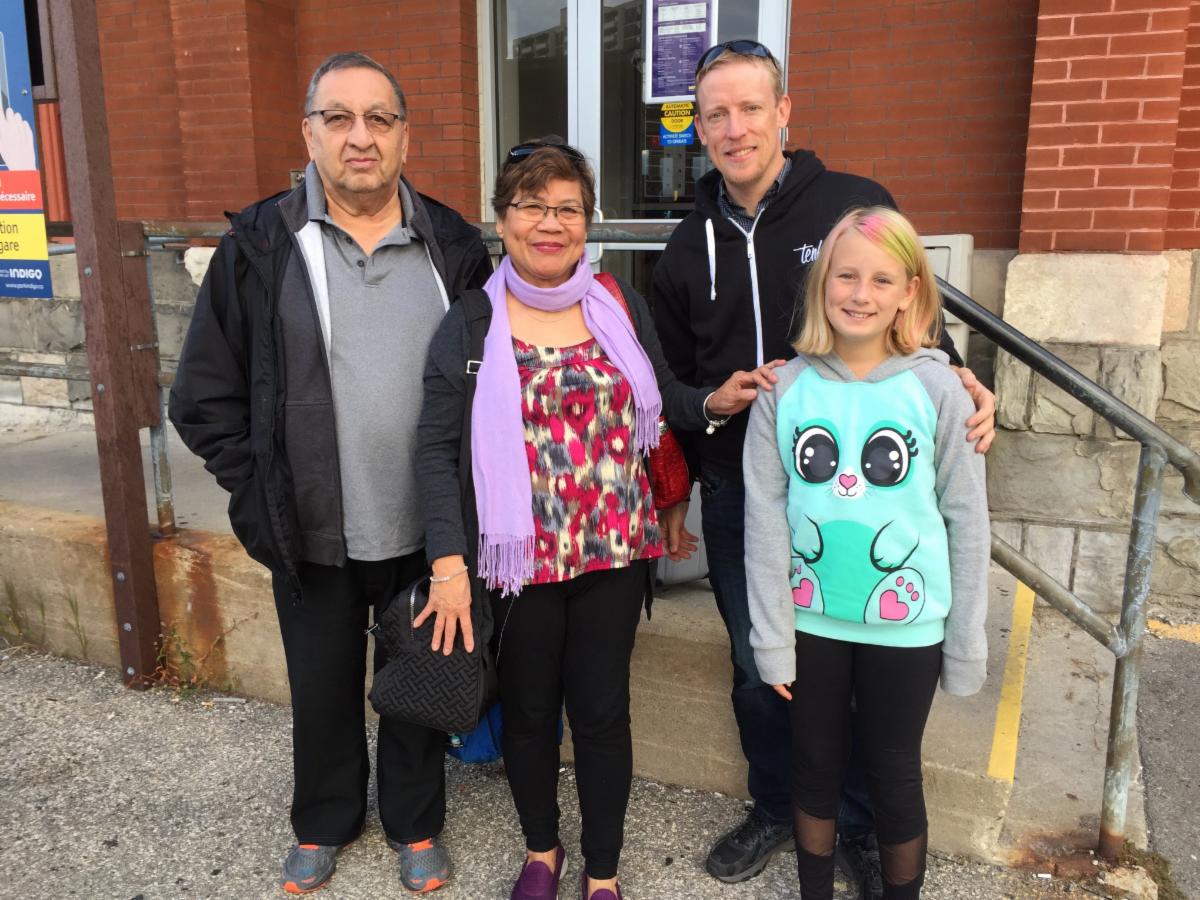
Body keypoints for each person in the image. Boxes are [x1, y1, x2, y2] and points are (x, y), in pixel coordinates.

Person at [650, 40, 996, 893]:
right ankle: (779, 805)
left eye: (750, 108)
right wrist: (706, 406)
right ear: (698, 126)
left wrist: (957, 372)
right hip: (747, 490)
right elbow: (663, 379)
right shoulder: (685, 245)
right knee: (761, 664)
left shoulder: (848, 203)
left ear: (784, 112)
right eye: (716, 113)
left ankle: (864, 826)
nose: (734, 129)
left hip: (865, 494)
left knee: (860, 682)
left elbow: (905, 302)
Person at [415, 138, 779, 900]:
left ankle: (603, 872)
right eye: (531, 206)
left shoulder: (616, 304)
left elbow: (665, 395)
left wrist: (713, 402)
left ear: (588, 221)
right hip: (519, 562)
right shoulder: (471, 322)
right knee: (531, 713)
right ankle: (542, 853)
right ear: (502, 218)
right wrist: (447, 566)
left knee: (604, 713)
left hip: (615, 551)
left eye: (567, 209)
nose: (550, 223)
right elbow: (435, 450)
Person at [168, 52, 491, 895]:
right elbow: (202, 397)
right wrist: (257, 486)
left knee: (421, 675)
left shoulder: (452, 247)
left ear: (404, 135)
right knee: (321, 685)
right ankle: (325, 818)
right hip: (310, 523)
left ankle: (415, 823)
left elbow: (495, 386)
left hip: (429, 524)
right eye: (338, 118)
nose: (360, 137)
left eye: (379, 119)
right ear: (308, 132)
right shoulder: (262, 245)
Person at [744, 206, 990, 899]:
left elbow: (967, 520)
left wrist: (965, 642)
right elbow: (764, 519)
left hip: (907, 629)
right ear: (823, 282)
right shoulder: (783, 390)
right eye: (846, 275)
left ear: (910, 291)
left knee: (892, 770)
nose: (860, 293)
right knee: (814, 766)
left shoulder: (940, 389)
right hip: (812, 623)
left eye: (882, 279)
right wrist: (772, 638)